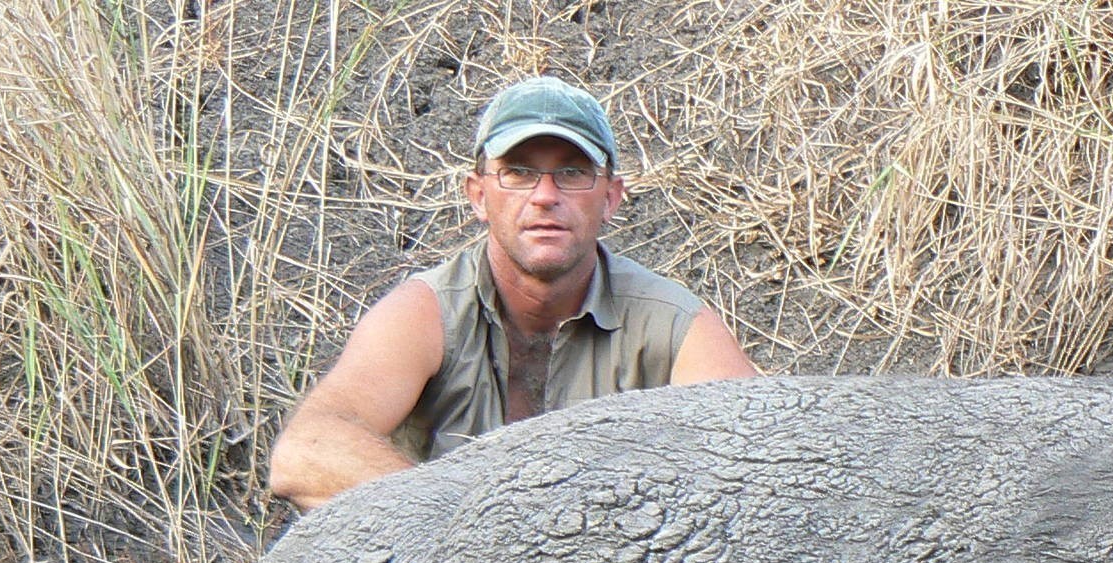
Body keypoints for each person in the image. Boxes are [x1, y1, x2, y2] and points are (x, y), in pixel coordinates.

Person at [267, 76, 756, 509]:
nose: (545, 195)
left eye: (572, 172)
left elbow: (758, 468)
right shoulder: (427, 313)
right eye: (518, 172)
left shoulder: (675, 324)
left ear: (610, 197)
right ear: (479, 195)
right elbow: (305, 454)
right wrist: (477, 531)